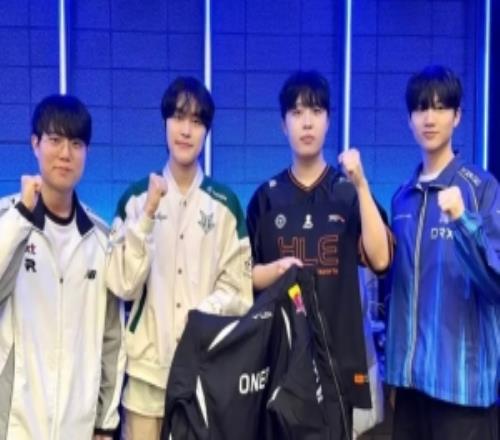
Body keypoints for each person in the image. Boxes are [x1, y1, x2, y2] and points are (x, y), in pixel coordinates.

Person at [246, 70, 393, 439]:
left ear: (328, 120)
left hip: (338, 364)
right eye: (296, 113)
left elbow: (380, 259)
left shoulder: (347, 192)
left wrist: (362, 184)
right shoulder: (265, 198)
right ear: (283, 125)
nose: (307, 122)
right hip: (281, 364)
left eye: (315, 111)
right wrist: (276, 269)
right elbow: (245, 277)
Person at [106, 76, 253, 439]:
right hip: (145, 377)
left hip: (204, 376)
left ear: (206, 131)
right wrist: (148, 215)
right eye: (178, 117)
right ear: (165, 122)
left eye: (197, 121)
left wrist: (199, 317)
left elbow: (240, 292)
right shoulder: (135, 199)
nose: (186, 130)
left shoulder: (225, 206)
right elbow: (122, 285)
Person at [0, 94, 125, 439]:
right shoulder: (7, 220)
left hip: (77, 425)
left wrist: (105, 422)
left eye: (76, 143)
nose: (65, 153)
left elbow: (112, 337)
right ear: (35, 144)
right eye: (55, 140)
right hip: (15, 423)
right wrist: (22, 216)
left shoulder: (100, 238)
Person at [385, 65, 500, 440]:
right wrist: (394, 375)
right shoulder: (402, 197)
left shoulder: (481, 188)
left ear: (457, 116)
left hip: (463, 392)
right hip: (409, 389)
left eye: (440, 107)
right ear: (409, 120)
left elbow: (496, 282)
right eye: (421, 108)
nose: (430, 118)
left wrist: (462, 220)